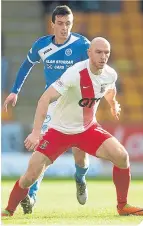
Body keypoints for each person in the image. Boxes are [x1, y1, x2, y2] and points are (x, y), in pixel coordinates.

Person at [2, 37, 143, 217]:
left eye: (106, 53)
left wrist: (113, 104)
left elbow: (109, 90)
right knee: (30, 177)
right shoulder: (74, 73)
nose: (103, 56)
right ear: (89, 53)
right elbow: (45, 99)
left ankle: (122, 205)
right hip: (59, 131)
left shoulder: (110, 74)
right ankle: (8, 211)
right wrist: (36, 132)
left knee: (122, 157)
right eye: (98, 52)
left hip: (87, 129)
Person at [3, 5, 90, 214]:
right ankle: (31, 197)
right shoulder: (42, 46)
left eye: (68, 24)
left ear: (72, 24)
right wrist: (15, 91)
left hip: (77, 105)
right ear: (52, 24)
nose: (64, 28)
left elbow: (95, 70)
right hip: (51, 104)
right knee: (42, 151)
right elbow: (26, 65)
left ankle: (80, 178)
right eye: (60, 24)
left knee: (80, 155)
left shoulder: (82, 44)